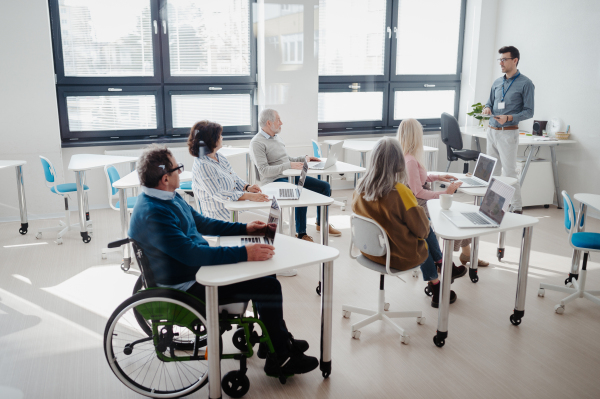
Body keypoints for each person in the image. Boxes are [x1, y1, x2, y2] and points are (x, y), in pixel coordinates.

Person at [128, 144, 319, 378]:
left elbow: (202, 222)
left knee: (265, 273)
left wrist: (245, 228)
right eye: (178, 168)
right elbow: (191, 253)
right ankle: (280, 356)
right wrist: (245, 253)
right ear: (165, 178)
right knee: (268, 285)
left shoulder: (167, 197)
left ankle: (276, 341)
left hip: (194, 269)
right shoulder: (154, 212)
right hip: (189, 286)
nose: (181, 171)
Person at [352, 137, 462, 308]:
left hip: (369, 251)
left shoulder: (360, 187)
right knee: (422, 230)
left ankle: (439, 272)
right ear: (399, 163)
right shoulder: (400, 191)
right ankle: (438, 280)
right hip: (398, 257)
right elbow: (423, 231)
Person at [398, 118, 490, 267]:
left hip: (418, 197)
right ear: (415, 136)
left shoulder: (408, 156)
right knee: (453, 214)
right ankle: (449, 258)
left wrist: (437, 177)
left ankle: (466, 254)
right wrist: (445, 193)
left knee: (456, 211)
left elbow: (417, 178)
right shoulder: (409, 160)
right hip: (417, 202)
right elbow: (418, 192)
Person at [250, 108, 341, 242]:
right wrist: (289, 166)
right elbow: (264, 171)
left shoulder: (277, 138)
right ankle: (301, 232)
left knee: (324, 186)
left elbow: (286, 160)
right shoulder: (256, 143)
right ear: (269, 123)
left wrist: (304, 158)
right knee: (300, 191)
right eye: (278, 120)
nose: (281, 123)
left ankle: (321, 224)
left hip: (287, 176)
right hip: (273, 181)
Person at [482, 45, 535, 214]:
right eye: (500, 60)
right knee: (493, 172)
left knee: (510, 172)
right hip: (491, 131)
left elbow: (529, 111)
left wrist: (509, 117)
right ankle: (494, 207)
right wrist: (487, 109)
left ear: (515, 60)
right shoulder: (497, 82)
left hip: (508, 133)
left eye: (504, 59)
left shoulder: (526, 84)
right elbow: (489, 102)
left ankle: (517, 208)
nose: (501, 63)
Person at [188, 120, 269, 222]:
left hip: (236, 207)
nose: (222, 138)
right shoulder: (203, 166)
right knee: (272, 224)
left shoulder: (219, 156)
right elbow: (219, 194)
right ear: (211, 140)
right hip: (220, 216)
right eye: (219, 135)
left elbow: (233, 177)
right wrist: (250, 196)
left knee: (274, 218)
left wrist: (247, 187)